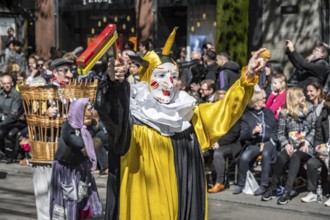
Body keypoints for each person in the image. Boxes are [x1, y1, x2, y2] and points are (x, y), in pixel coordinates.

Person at [95, 27, 265, 220]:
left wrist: (247, 78)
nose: (168, 83)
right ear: (147, 76)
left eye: (172, 76)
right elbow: (111, 111)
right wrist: (113, 82)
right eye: (160, 75)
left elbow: (225, 110)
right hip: (143, 206)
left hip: (179, 208)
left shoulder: (185, 116)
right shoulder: (132, 115)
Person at [262, 87, 316, 205]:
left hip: (305, 147)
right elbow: (280, 133)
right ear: (294, 98)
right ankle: (273, 188)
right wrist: (286, 144)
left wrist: (306, 141)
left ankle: (287, 191)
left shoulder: (310, 110)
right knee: (281, 157)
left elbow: (313, 129)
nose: (304, 97)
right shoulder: (284, 113)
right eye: (301, 95)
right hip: (291, 144)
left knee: (296, 156)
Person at [50, 98, 102, 219]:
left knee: (82, 197)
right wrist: (93, 135)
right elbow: (79, 144)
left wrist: (92, 129)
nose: (91, 113)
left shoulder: (87, 127)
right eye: (88, 110)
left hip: (80, 167)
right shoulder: (68, 127)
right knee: (69, 199)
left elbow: (102, 136)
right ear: (79, 111)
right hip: (66, 169)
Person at [233, 91, 278, 195]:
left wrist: (273, 139)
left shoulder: (268, 112)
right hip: (256, 143)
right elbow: (243, 136)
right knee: (244, 157)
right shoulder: (246, 116)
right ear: (256, 102)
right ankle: (241, 184)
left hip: (268, 142)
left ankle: (263, 185)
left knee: (266, 155)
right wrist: (253, 131)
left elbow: (276, 128)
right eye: (262, 99)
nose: (265, 100)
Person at [301, 93, 330, 205]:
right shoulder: (323, 116)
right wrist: (319, 152)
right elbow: (318, 136)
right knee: (311, 163)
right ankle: (313, 192)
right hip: (325, 151)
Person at [0, 74, 25, 163]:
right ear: (2, 84)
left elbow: (14, 115)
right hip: (4, 121)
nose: (6, 85)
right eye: (4, 83)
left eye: (8, 83)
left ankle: (15, 154)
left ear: (12, 84)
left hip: (15, 122)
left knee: (4, 132)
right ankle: (3, 153)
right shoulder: (1, 94)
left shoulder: (16, 96)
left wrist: (2, 123)